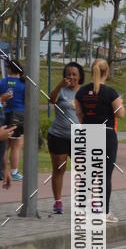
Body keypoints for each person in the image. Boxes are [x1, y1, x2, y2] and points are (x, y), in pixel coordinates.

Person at [74, 58, 125, 222]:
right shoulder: (110, 92)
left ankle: (81, 211)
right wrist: (120, 103)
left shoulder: (81, 92)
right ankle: (104, 212)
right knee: (105, 175)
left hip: (88, 133)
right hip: (107, 134)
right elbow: (120, 113)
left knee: (87, 174)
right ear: (107, 72)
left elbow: (79, 113)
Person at [47, 62, 84, 214]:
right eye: (68, 74)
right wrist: (59, 85)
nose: (71, 77)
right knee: (59, 169)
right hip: (58, 136)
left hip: (79, 137)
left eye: (74, 74)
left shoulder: (84, 92)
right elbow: (51, 99)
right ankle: (58, 202)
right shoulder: (61, 90)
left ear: (80, 76)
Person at [0, 59, 26, 180]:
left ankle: (3, 170)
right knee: (16, 145)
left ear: (9, 69)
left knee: (5, 145)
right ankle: (14, 172)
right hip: (19, 114)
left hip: (5, 114)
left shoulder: (3, 82)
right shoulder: (23, 83)